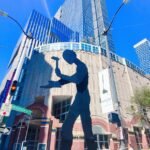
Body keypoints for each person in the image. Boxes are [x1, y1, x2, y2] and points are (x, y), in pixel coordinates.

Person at [41, 50, 96, 150]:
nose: (67, 60)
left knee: (86, 128)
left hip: (83, 99)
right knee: (67, 126)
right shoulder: (78, 67)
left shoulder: (82, 66)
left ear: (73, 55)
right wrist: (55, 83)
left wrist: (61, 75)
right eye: (65, 59)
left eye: (67, 58)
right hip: (79, 97)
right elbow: (70, 79)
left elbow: (77, 79)